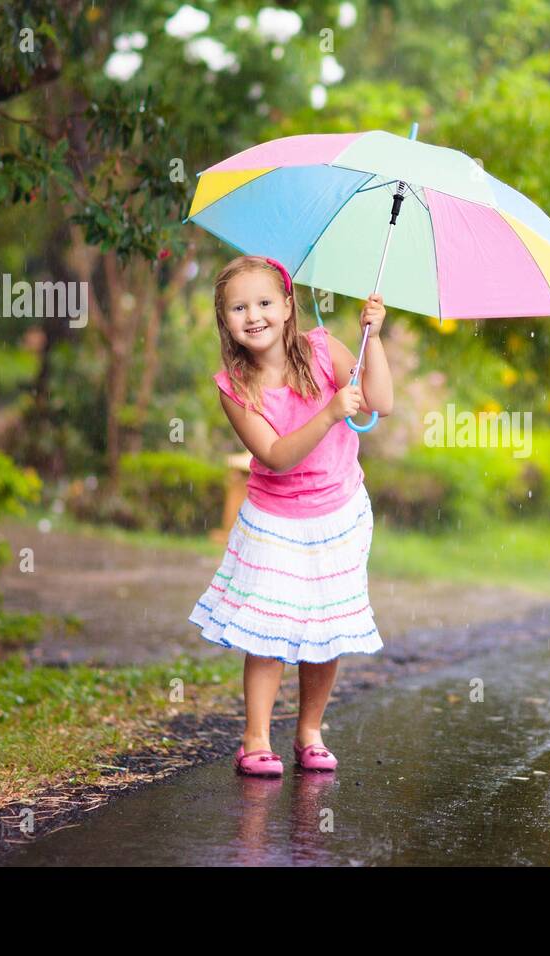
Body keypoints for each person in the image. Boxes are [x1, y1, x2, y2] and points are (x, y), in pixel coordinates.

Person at [188, 255, 393, 777]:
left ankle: (309, 731)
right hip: (274, 520)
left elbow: (380, 403)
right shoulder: (235, 386)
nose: (252, 315)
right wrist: (328, 413)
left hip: (339, 513)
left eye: (262, 303)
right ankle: (255, 737)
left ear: (286, 306)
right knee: (268, 627)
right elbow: (276, 455)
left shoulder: (324, 350)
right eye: (238, 308)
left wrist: (376, 339)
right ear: (225, 320)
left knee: (326, 627)